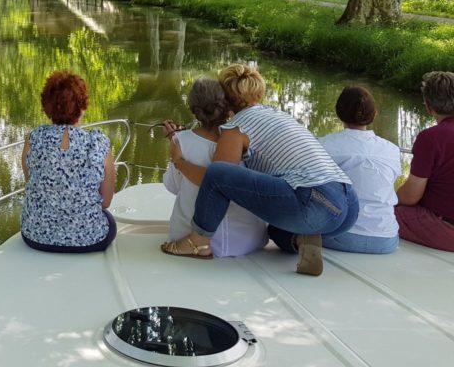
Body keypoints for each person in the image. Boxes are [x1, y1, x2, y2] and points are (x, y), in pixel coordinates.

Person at [162, 63, 358, 276]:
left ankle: (197, 241)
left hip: (311, 201)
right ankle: (302, 238)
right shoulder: (278, 115)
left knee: (218, 172)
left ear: (225, 98)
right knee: (274, 230)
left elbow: (215, 180)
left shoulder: (236, 128)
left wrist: (179, 160)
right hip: (346, 206)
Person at [162, 78, 268, 257]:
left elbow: (172, 187)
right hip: (249, 240)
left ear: (194, 110)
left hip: (193, 238)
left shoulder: (181, 141)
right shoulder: (245, 137)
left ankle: (195, 242)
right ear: (227, 105)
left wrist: (175, 149)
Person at [21, 70, 117, 253]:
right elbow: (106, 202)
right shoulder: (98, 143)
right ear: (83, 106)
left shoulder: (34, 139)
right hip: (90, 239)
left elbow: (31, 185)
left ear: (47, 105)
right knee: (109, 220)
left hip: (35, 236)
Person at [318, 86, 401, 254]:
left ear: (339, 113)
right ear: (374, 114)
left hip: (341, 236)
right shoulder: (392, 150)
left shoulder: (324, 145)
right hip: (387, 240)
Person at [395, 71, 454, 252]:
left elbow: (410, 197)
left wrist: (390, 197)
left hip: (445, 225)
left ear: (428, 106)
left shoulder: (431, 138)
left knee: (376, 212)